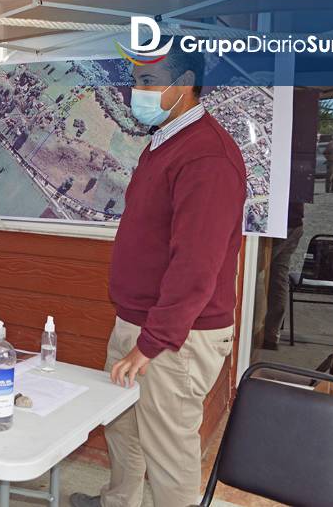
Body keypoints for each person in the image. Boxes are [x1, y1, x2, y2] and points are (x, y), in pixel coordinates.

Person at [71, 42, 246, 507]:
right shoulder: (167, 140)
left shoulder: (208, 156)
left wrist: (152, 342)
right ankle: (118, 501)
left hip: (176, 336)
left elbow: (195, 267)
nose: (136, 92)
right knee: (122, 424)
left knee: (168, 450)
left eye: (148, 82)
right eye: (136, 80)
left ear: (184, 84)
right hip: (138, 319)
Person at [262, 202, 304, 350]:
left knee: (256, 273)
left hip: (276, 221)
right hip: (293, 222)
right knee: (278, 277)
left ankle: (257, 332)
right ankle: (271, 335)